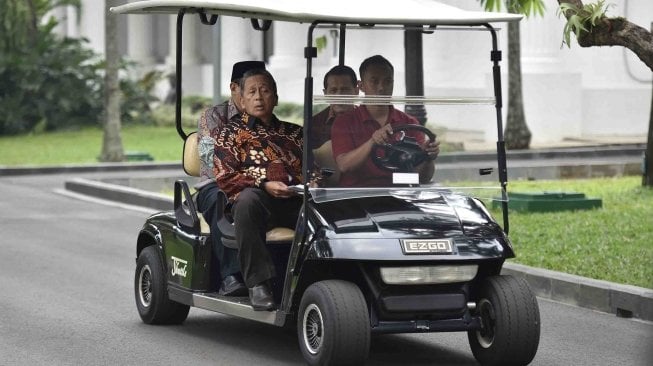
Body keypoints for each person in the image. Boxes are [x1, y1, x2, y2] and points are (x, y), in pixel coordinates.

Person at [213, 69, 305, 311]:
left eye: (265, 91)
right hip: (257, 200)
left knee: (323, 210)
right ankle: (258, 285)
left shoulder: (296, 133)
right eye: (252, 92)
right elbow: (226, 175)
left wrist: (308, 183)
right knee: (246, 201)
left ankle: (316, 278)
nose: (258, 97)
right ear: (241, 99)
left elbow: (313, 169)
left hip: (294, 198)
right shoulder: (229, 133)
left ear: (275, 97)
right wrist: (263, 183)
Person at [195, 61, 265, 297]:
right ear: (235, 88)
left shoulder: (264, 118)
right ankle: (231, 275)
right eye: (251, 88)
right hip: (215, 185)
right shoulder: (212, 117)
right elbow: (209, 158)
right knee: (220, 200)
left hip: (253, 185)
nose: (257, 95)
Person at [331, 55, 440, 187]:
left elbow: (422, 178)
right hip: (356, 196)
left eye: (387, 81)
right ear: (361, 86)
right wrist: (372, 141)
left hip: (399, 194)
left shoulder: (409, 122)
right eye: (374, 81)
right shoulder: (345, 122)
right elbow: (344, 165)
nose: (382, 88)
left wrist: (427, 157)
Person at [309, 65, 359, 148]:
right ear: (325, 94)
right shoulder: (314, 124)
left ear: (356, 91)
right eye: (333, 90)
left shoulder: (368, 119)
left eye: (345, 90)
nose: (339, 95)